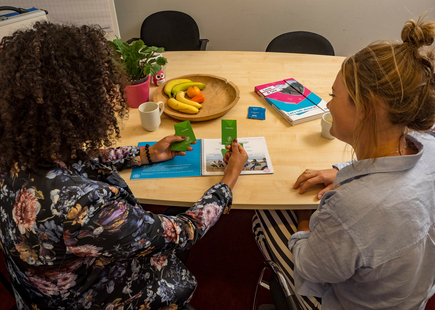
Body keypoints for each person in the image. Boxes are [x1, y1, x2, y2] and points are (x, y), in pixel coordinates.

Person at [0, 22, 248, 310]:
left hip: (37, 293)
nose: (114, 96)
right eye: (104, 90)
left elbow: (79, 160)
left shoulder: (15, 151)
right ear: (74, 104)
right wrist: (227, 181)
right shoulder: (85, 208)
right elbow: (183, 231)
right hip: (93, 299)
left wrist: (145, 154)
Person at [253, 16, 435, 310]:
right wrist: (340, 172)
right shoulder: (429, 145)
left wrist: (305, 218)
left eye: (334, 95)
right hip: (411, 293)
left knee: (264, 212)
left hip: (354, 303)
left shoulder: (350, 208)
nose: (327, 104)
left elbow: (312, 270)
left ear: (367, 108)